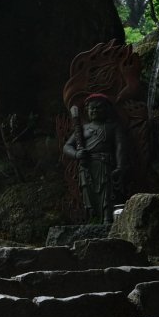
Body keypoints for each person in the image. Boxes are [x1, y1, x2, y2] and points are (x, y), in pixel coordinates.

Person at [63, 94, 127, 224]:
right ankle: (92, 220)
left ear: (107, 110)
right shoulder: (82, 128)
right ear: (86, 111)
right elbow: (67, 146)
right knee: (88, 194)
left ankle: (107, 219)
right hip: (86, 166)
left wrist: (120, 166)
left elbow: (120, 147)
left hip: (105, 164)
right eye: (92, 108)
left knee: (106, 194)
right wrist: (76, 154)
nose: (95, 111)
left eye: (99, 108)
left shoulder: (113, 127)